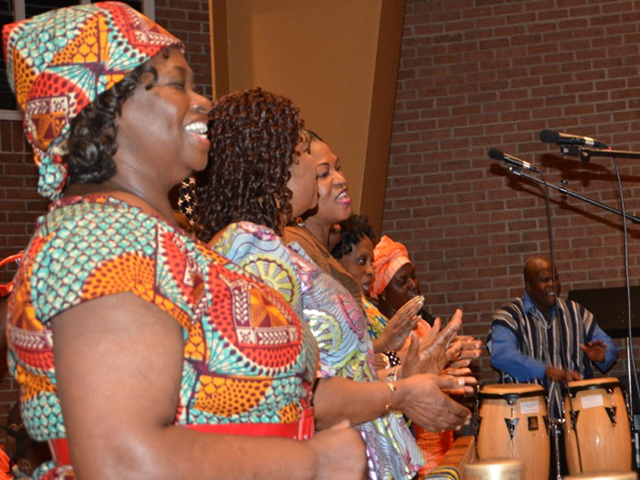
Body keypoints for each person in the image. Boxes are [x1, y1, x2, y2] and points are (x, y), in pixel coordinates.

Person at [3, 4, 365, 480]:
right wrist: (314, 461)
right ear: (104, 108)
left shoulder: (145, 233)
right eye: (178, 84)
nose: (204, 103)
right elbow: (122, 460)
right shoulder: (100, 241)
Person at [185, 87, 474, 479]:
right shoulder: (253, 252)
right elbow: (290, 396)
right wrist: (400, 393)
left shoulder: (271, 248)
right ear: (276, 167)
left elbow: (328, 376)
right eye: (306, 157)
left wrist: (403, 376)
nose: (320, 173)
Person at [488, 255, 619, 415]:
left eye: (555, 278)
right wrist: (547, 371)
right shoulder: (509, 316)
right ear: (528, 286)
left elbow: (610, 346)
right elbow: (501, 355)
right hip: (527, 417)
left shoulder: (577, 313)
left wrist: (603, 355)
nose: (552, 285)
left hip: (577, 417)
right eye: (544, 280)